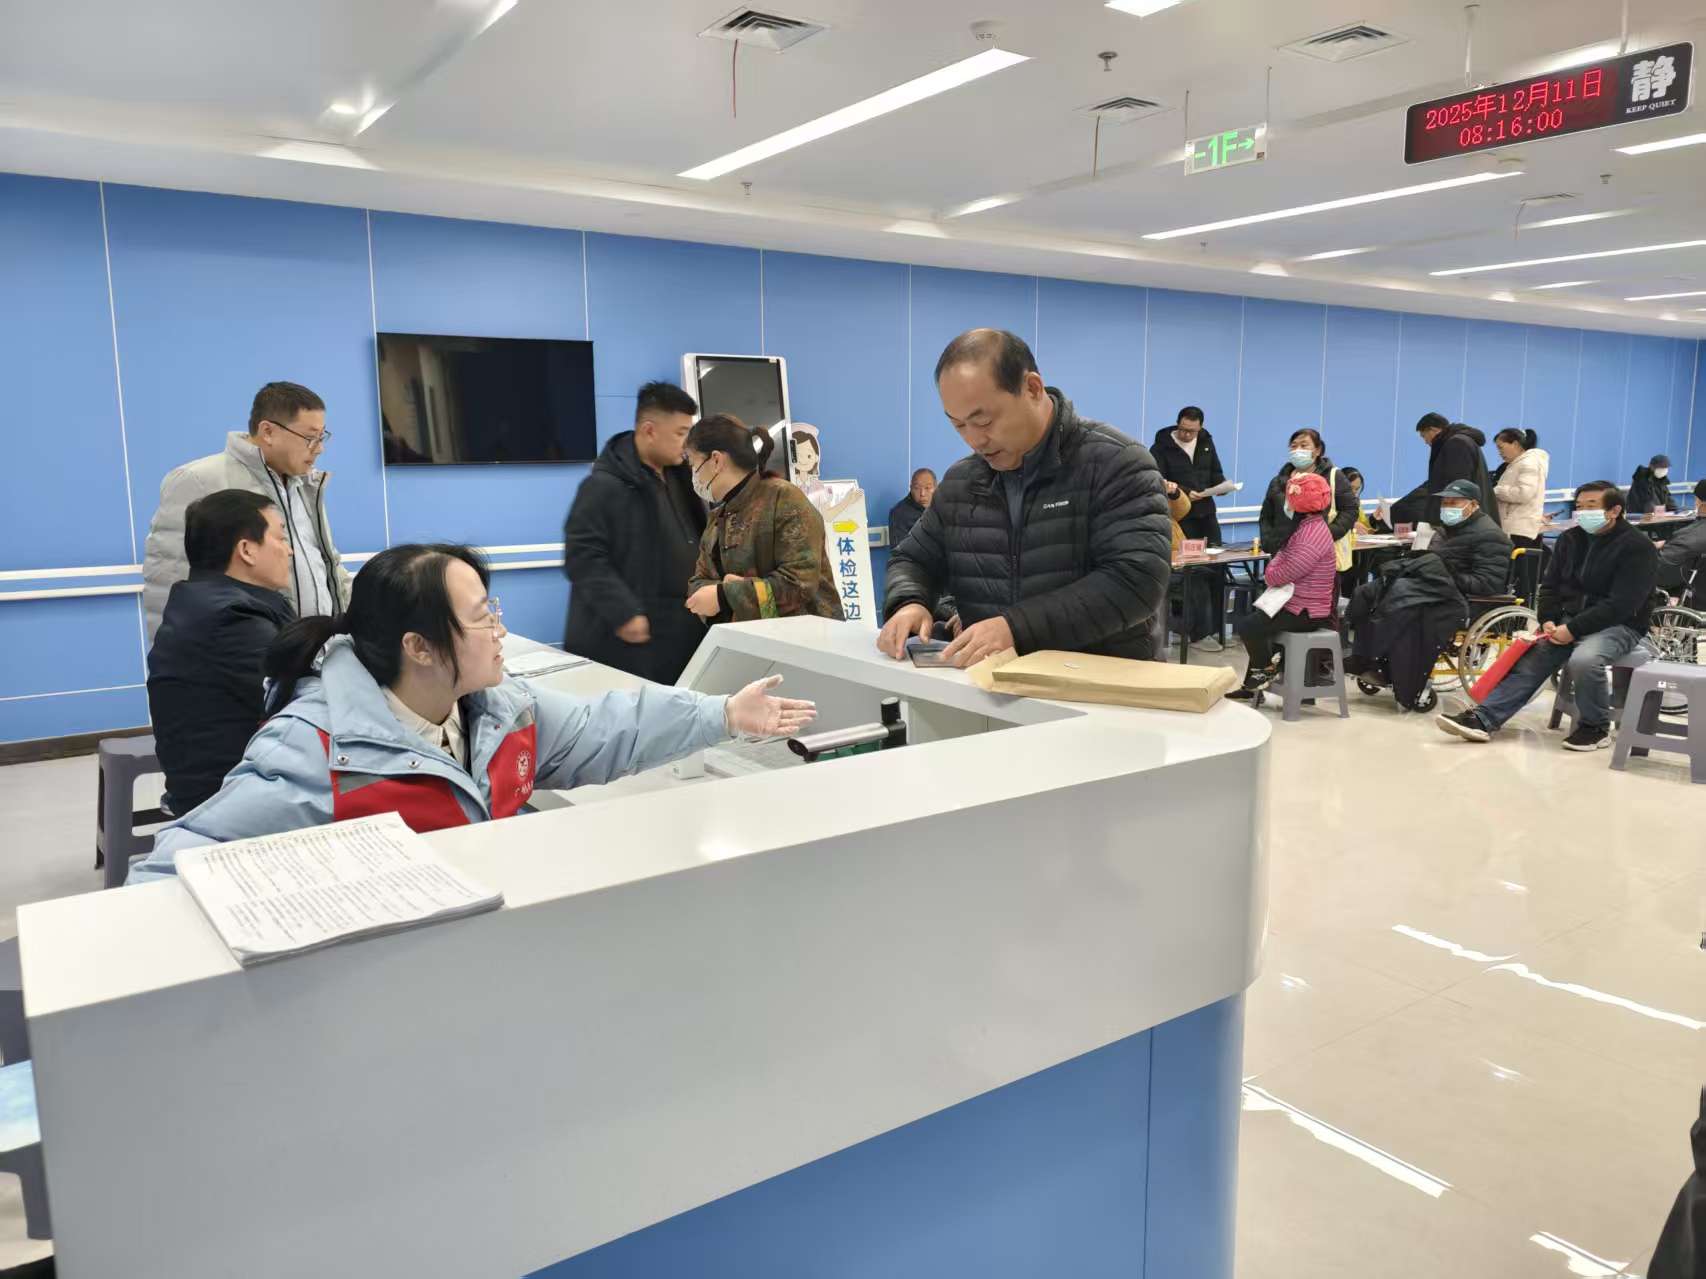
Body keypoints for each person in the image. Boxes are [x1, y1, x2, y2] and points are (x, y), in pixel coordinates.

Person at [128, 544, 816, 882]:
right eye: (482, 616)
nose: (499, 629)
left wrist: (723, 713)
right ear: (419, 647)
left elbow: (606, 727)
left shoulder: (499, 709)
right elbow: (172, 869)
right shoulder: (314, 752)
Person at [878, 328, 1172, 668]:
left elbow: (1135, 581)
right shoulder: (961, 483)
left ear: (1032, 388)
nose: (974, 440)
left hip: (1100, 685)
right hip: (990, 685)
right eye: (959, 425)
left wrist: (1016, 628)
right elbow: (913, 559)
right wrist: (910, 602)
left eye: (983, 420)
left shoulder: (1116, 463)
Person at [1437, 481, 1658, 752]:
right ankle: (1484, 718)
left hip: (1619, 625)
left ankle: (1595, 727)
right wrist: (1548, 619)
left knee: (1585, 660)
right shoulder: (1570, 539)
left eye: (1591, 506)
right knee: (1532, 657)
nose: (1582, 512)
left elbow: (1622, 604)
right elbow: (1550, 586)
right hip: (1570, 619)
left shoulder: (1638, 547)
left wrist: (1573, 629)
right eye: (1579, 506)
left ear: (1614, 511)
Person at [142, 381, 350, 644]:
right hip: (245, 654)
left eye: (321, 437)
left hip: (315, 652)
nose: (319, 448)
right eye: (310, 438)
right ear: (268, 431)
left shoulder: (305, 485)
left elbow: (328, 566)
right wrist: (175, 657)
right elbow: (169, 580)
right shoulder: (199, 480)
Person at [146, 490, 297, 818]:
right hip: (231, 799)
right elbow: (306, 700)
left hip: (231, 783)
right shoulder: (231, 619)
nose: (289, 550)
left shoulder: (204, 600)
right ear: (247, 550)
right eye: (281, 538)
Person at [562, 381, 707, 684]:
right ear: (649, 430)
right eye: (680, 433)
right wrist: (624, 612)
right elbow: (583, 557)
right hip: (628, 640)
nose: (687, 443)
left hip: (680, 632)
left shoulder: (682, 478)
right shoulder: (603, 486)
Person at [685, 414, 844, 624]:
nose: (693, 474)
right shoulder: (717, 518)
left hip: (807, 637)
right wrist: (726, 593)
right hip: (751, 639)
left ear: (716, 460)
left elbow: (799, 583)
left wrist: (726, 595)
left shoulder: (785, 499)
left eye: (693, 463)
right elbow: (697, 582)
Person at [1229, 471, 1338, 701]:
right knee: (1257, 620)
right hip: (1295, 603)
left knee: (1249, 626)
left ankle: (1263, 672)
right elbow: (1282, 557)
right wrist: (1274, 570)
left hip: (1307, 611)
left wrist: (1271, 573)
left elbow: (1285, 571)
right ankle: (1254, 683)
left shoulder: (1312, 534)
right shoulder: (1306, 527)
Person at [1256, 429, 1357, 556]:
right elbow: (1266, 515)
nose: (1298, 450)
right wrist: (1269, 542)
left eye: (1304, 445)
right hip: (1282, 552)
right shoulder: (1278, 481)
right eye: (1293, 446)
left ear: (1318, 450)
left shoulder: (1333, 476)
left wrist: (1326, 535)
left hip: (1317, 552)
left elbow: (1350, 510)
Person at [1390, 413, 1500, 528]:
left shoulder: (1456, 444)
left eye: (1424, 436)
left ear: (1432, 430)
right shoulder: (1458, 442)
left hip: (1467, 520)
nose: (1425, 441)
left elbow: (1458, 486)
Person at [1150, 407, 1226, 545]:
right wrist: (1186, 491)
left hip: (1206, 511)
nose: (1186, 435)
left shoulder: (1206, 442)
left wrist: (1222, 486)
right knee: (1185, 555)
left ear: (1200, 427)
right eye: (1183, 429)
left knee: (1215, 552)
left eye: (1192, 431)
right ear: (1177, 423)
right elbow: (1159, 480)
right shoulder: (1161, 447)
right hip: (1180, 513)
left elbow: (1215, 471)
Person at [1432, 479, 1514, 599]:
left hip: (1459, 599)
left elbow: (1487, 584)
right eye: (1444, 503)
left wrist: (1442, 577)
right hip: (1437, 590)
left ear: (1473, 505)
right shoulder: (1445, 529)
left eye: (1453, 503)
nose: (1447, 507)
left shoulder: (1490, 536)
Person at [1491, 429, 1550, 546]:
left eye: (1501, 447)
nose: (1499, 453)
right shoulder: (1518, 463)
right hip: (1515, 527)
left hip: (1519, 530)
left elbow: (1524, 494)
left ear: (1515, 444)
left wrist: (1497, 490)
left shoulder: (1529, 463)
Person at [1658, 478, 1706, 606]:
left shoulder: (1688, 536)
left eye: (1695, 500)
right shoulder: (1690, 536)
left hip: (1692, 601)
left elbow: (1660, 572)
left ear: (1701, 503)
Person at [887, 468, 937, 548]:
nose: (922, 494)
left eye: (927, 488)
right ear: (911, 488)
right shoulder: (899, 514)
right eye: (917, 488)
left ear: (936, 488)